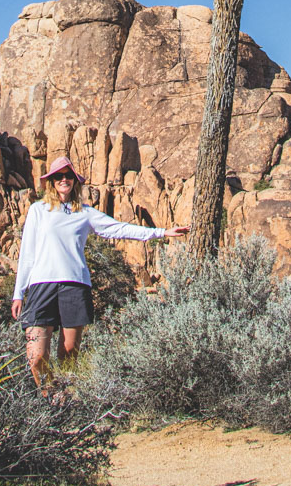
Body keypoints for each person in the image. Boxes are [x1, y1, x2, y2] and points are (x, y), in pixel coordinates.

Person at [11, 155, 189, 386]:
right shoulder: (38, 210)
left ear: (75, 181)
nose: (64, 180)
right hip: (40, 286)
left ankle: (63, 403)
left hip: (74, 286)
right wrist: (18, 293)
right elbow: (27, 254)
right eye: (59, 176)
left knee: (69, 352)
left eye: (68, 176)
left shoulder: (85, 213)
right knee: (36, 356)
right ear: (51, 181)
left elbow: (119, 229)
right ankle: (49, 396)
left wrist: (161, 232)